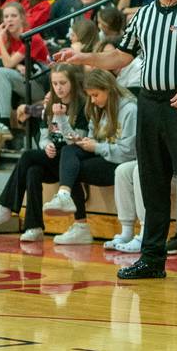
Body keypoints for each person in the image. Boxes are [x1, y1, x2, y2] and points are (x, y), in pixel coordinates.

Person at [54, 0, 177, 286]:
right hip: (149, 103)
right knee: (151, 182)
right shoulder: (144, 15)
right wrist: (82, 57)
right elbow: (120, 57)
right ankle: (151, 258)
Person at [0, 65, 89, 237]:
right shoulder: (51, 103)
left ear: (73, 83)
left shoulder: (82, 105)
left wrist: (60, 118)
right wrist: (46, 146)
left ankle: (6, 206)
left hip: (73, 159)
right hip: (53, 157)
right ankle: (34, 227)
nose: (58, 88)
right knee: (33, 171)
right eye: (54, 83)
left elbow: (77, 141)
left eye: (63, 83)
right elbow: (44, 136)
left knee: (28, 155)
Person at [42, 68, 137, 244]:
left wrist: (97, 147)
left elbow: (127, 153)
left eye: (95, 95)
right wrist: (63, 120)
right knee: (69, 152)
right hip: (105, 156)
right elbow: (91, 141)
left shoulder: (129, 109)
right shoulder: (98, 107)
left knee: (71, 167)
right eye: (90, 96)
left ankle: (79, 224)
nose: (92, 100)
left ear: (108, 89)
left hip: (122, 164)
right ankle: (65, 196)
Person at [0, 1, 48, 129]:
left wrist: (0, 39)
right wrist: (16, 66)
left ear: (22, 18)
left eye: (13, 16)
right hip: (24, 81)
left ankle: (4, 122)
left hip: (39, 85)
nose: (9, 20)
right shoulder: (9, 38)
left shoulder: (32, 37)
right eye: (6, 17)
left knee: (2, 72)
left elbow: (7, 63)